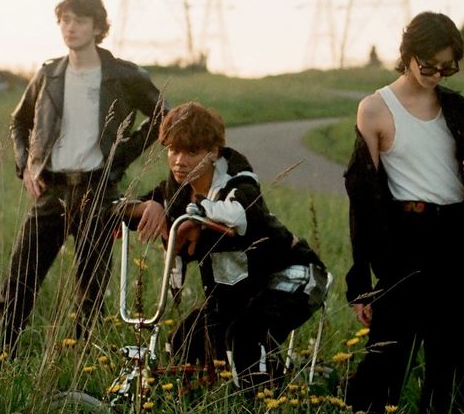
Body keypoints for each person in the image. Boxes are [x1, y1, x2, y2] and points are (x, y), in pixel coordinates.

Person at [0, 0, 166, 356]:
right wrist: (27, 165)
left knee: (91, 290)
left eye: (80, 21)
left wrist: (121, 154)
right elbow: (19, 121)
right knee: (19, 281)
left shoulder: (123, 74)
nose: (70, 28)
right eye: (65, 20)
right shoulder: (49, 73)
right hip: (51, 190)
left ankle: (82, 364)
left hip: (98, 190)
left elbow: (164, 115)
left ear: (98, 27)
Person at [343, 11, 464, 414]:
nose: (437, 75)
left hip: (461, 239)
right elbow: (364, 197)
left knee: (454, 350)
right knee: (389, 350)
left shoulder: (458, 108)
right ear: (407, 55)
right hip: (406, 240)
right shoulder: (374, 109)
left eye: (448, 67)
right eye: (429, 65)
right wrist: (361, 281)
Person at [129, 102, 330, 389]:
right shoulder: (176, 189)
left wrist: (196, 216)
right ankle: (196, 408)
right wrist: (149, 206)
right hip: (243, 289)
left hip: (295, 274)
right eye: (173, 150)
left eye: (192, 151)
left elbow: (238, 214)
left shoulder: (238, 182)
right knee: (184, 340)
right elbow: (119, 209)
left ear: (213, 152)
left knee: (245, 336)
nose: (180, 161)